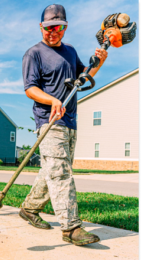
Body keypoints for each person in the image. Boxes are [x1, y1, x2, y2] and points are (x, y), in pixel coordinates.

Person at [20, 4, 108, 246]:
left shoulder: (70, 51)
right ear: (41, 27)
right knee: (60, 174)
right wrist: (53, 100)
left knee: (51, 170)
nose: (53, 32)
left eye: (58, 27)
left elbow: (85, 76)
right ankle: (70, 228)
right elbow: (30, 89)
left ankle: (29, 209)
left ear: (65, 27)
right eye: (48, 27)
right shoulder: (34, 53)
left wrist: (99, 62)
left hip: (70, 121)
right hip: (49, 121)